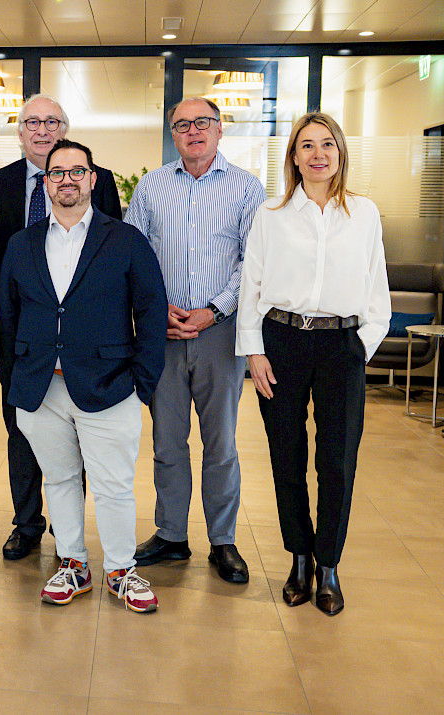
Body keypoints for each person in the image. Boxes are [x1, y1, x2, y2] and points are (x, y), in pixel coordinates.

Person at [0, 139, 167, 613]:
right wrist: (16, 380)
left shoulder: (126, 239)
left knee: (113, 484)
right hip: (41, 388)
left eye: (77, 171)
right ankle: (73, 563)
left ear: (93, 179)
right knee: (60, 480)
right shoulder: (22, 243)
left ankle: (121, 569)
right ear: (46, 182)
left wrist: (141, 385)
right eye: (57, 172)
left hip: (110, 385)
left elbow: (151, 313)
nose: (67, 180)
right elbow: (7, 317)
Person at [238, 111, 389, 616]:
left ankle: (329, 565)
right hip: (281, 341)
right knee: (286, 455)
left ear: (340, 152)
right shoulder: (272, 213)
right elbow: (251, 284)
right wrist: (254, 351)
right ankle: (299, 558)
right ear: (294, 156)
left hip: (341, 344)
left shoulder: (363, 213)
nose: (318, 154)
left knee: (337, 460)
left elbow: (377, 286)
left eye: (327, 144)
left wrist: (361, 346)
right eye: (307, 145)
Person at [125, 97, 266, 584]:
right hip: (162, 333)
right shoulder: (152, 186)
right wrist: (156, 307)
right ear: (173, 134)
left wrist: (215, 310)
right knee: (167, 440)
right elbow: (133, 252)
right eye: (182, 124)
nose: (192, 131)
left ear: (220, 129)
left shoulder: (246, 188)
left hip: (219, 333)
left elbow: (255, 261)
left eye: (202, 122)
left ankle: (223, 540)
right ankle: (171, 535)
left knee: (220, 442)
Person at [0, 93, 122, 561]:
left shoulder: (96, 179)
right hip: (21, 332)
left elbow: (109, 255)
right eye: (32, 122)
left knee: (77, 434)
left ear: (63, 130)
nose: (41, 130)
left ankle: (71, 532)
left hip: (81, 337)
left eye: (51, 122)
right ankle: (26, 523)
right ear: (20, 131)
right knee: (21, 428)